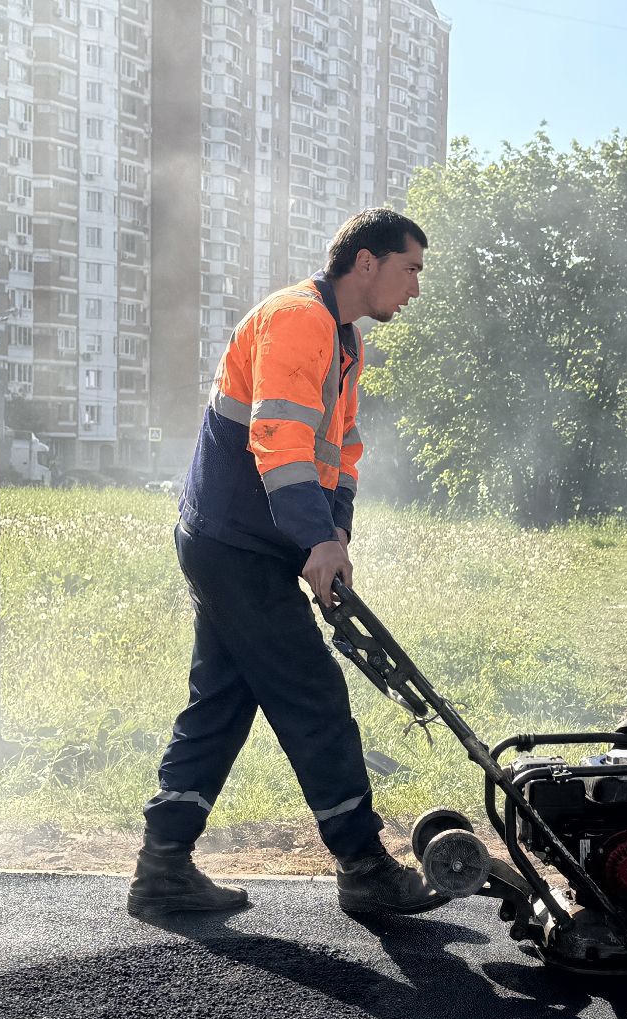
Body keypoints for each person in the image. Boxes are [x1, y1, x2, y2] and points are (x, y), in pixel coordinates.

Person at [128, 208, 443, 919]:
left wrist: (335, 536)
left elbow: (343, 451)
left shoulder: (345, 342)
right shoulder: (298, 319)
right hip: (237, 542)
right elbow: (279, 440)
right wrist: (314, 541)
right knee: (314, 695)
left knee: (222, 703)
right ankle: (363, 864)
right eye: (411, 269)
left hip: (244, 542)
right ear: (366, 262)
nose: (416, 289)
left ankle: (163, 867)